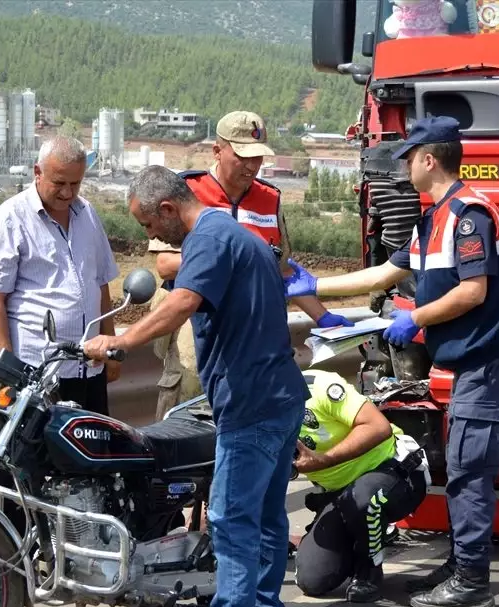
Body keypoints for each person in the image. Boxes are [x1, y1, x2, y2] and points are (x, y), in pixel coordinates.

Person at [285, 115, 499, 607]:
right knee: (464, 468)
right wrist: (314, 287)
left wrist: (414, 317)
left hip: (489, 361)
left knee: (467, 471)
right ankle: (465, 561)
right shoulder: (433, 219)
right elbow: (385, 272)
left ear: (428, 158)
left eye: (408, 158)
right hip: (472, 365)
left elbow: (473, 289)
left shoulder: (468, 215)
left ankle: (471, 581)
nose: (403, 167)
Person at [83, 166, 308, 607]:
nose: (152, 237)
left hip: (250, 402)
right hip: (279, 393)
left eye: (149, 225)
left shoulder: (207, 239)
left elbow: (183, 302)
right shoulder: (235, 235)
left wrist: (120, 341)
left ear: (167, 208)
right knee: (268, 512)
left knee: (229, 517)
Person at [146, 110, 350, 421]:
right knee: (185, 427)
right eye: (242, 157)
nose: (252, 166)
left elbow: (282, 270)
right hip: (198, 331)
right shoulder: (187, 191)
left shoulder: (270, 199)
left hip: (255, 335)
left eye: (258, 157)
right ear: (217, 150)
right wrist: (234, 260)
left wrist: (323, 317)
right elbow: (165, 263)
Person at [0, 136, 121, 415]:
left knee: (92, 455)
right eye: (59, 183)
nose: (67, 193)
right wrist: (6, 374)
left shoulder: (87, 213)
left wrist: (111, 347)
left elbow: (100, 283)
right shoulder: (9, 221)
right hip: (37, 377)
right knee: (35, 457)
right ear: (37, 172)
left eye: (75, 184)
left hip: (89, 371)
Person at [292, 370, 429, 603]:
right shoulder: (252, 405)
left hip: (391, 469)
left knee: (364, 499)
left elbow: (378, 427)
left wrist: (321, 460)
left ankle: (369, 570)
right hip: (338, 493)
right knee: (313, 580)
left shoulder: (320, 387)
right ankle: (365, 534)